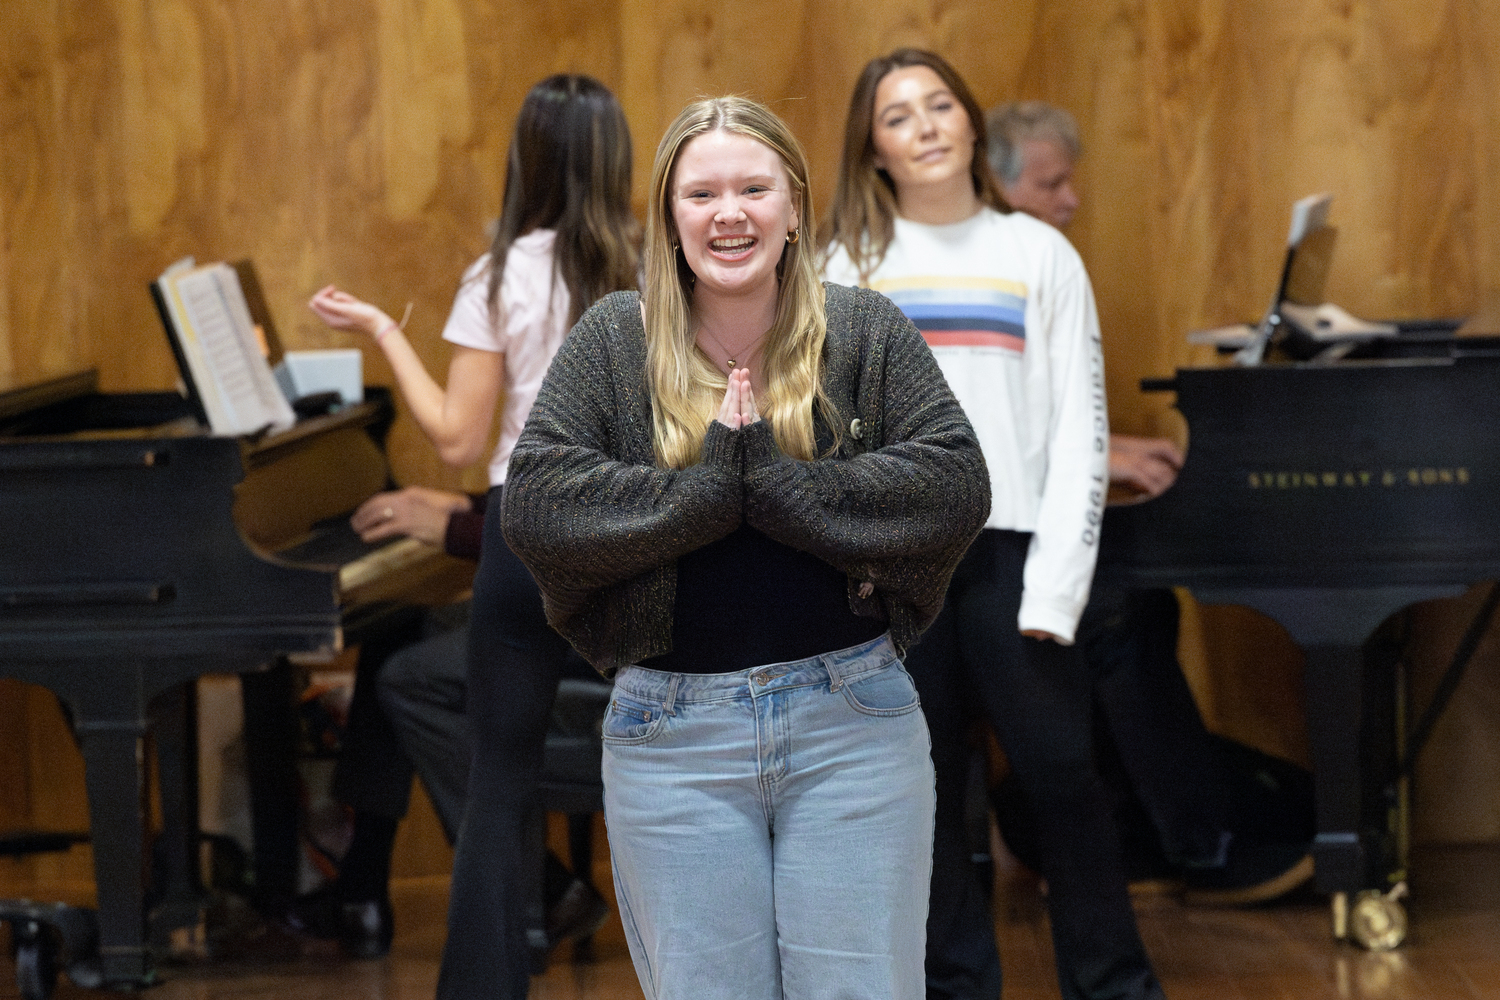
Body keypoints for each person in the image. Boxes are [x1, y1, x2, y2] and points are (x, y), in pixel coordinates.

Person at [499, 96, 990, 1000]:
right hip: (671, 738)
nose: (731, 213)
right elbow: (537, 506)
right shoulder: (614, 340)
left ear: (795, 207)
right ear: (669, 215)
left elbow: (954, 485)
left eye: (755, 188)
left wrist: (771, 480)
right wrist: (710, 489)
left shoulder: (866, 330)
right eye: (703, 193)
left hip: (854, 729)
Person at [821, 50, 1160, 1000]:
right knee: (919, 800)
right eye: (898, 116)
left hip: (1015, 560)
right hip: (891, 568)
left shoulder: (1038, 254)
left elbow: (1079, 433)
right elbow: (820, 441)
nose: (925, 126)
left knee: (1063, 780)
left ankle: (1115, 984)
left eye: (939, 105)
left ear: (971, 125)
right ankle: (954, 986)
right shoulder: (844, 267)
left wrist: (1056, 589)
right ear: (875, 148)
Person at [307, 73, 638, 998]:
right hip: (635, 533)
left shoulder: (500, 276)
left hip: (524, 533)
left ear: (523, 157)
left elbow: (456, 436)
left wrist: (384, 331)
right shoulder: (658, 272)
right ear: (618, 155)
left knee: (500, 780)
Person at [986, 100, 1315, 902]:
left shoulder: (1035, 264)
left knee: (1141, 604)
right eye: (1052, 183)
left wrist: (1110, 451)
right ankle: (1197, 847)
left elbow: (1042, 418)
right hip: (978, 539)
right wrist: (1107, 457)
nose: (1070, 200)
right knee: (1120, 612)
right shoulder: (988, 273)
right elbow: (985, 433)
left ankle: (1141, 827)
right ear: (995, 188)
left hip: (1022, 515)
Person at [281, 486, 607, 958]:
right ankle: (361, 887)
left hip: (602, 619)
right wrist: (467, 503)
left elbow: (588, 522)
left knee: (411, 681)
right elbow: (564, 489)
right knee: (399, 630)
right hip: (569, 595)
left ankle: (537, 889)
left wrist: (453, 527)